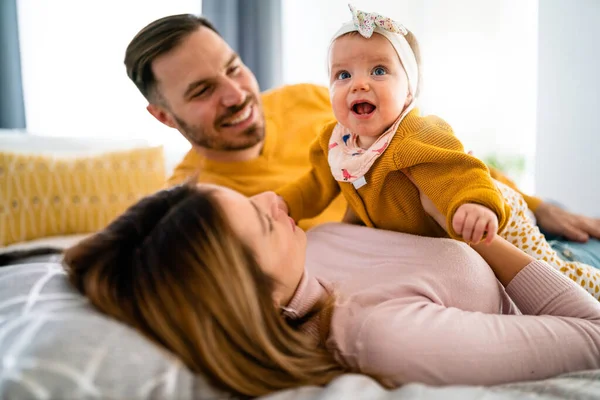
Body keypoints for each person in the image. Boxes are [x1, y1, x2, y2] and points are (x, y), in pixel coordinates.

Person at [123, 14, 600, 262]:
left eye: (233, 68)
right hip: (428, 265)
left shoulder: (310, 100)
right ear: (164, 116)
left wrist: (537, 205)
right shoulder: (200, 200)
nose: (236, 94)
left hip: (484, 218)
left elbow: (441, 156)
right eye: (204, 90)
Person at [63, 179, 600, 398]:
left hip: (540, 237)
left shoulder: (304, 255)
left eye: (249, 197)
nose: (274, 197)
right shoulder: (384, 334)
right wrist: (480, 239)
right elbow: (592, 333)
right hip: (560, 277)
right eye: (261, 219)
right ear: (254, 299)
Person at [273, 5, 600, 299]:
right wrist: (282, 204)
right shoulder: (335, 141)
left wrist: (475, 204)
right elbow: (316, 184)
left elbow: (462, 169)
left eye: (379, 71)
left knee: (551, 277)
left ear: (409, 89)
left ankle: (589, 278)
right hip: (439, 239)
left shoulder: (416, 132)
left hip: (492, 213)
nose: (359, 84)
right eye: (343, 75)